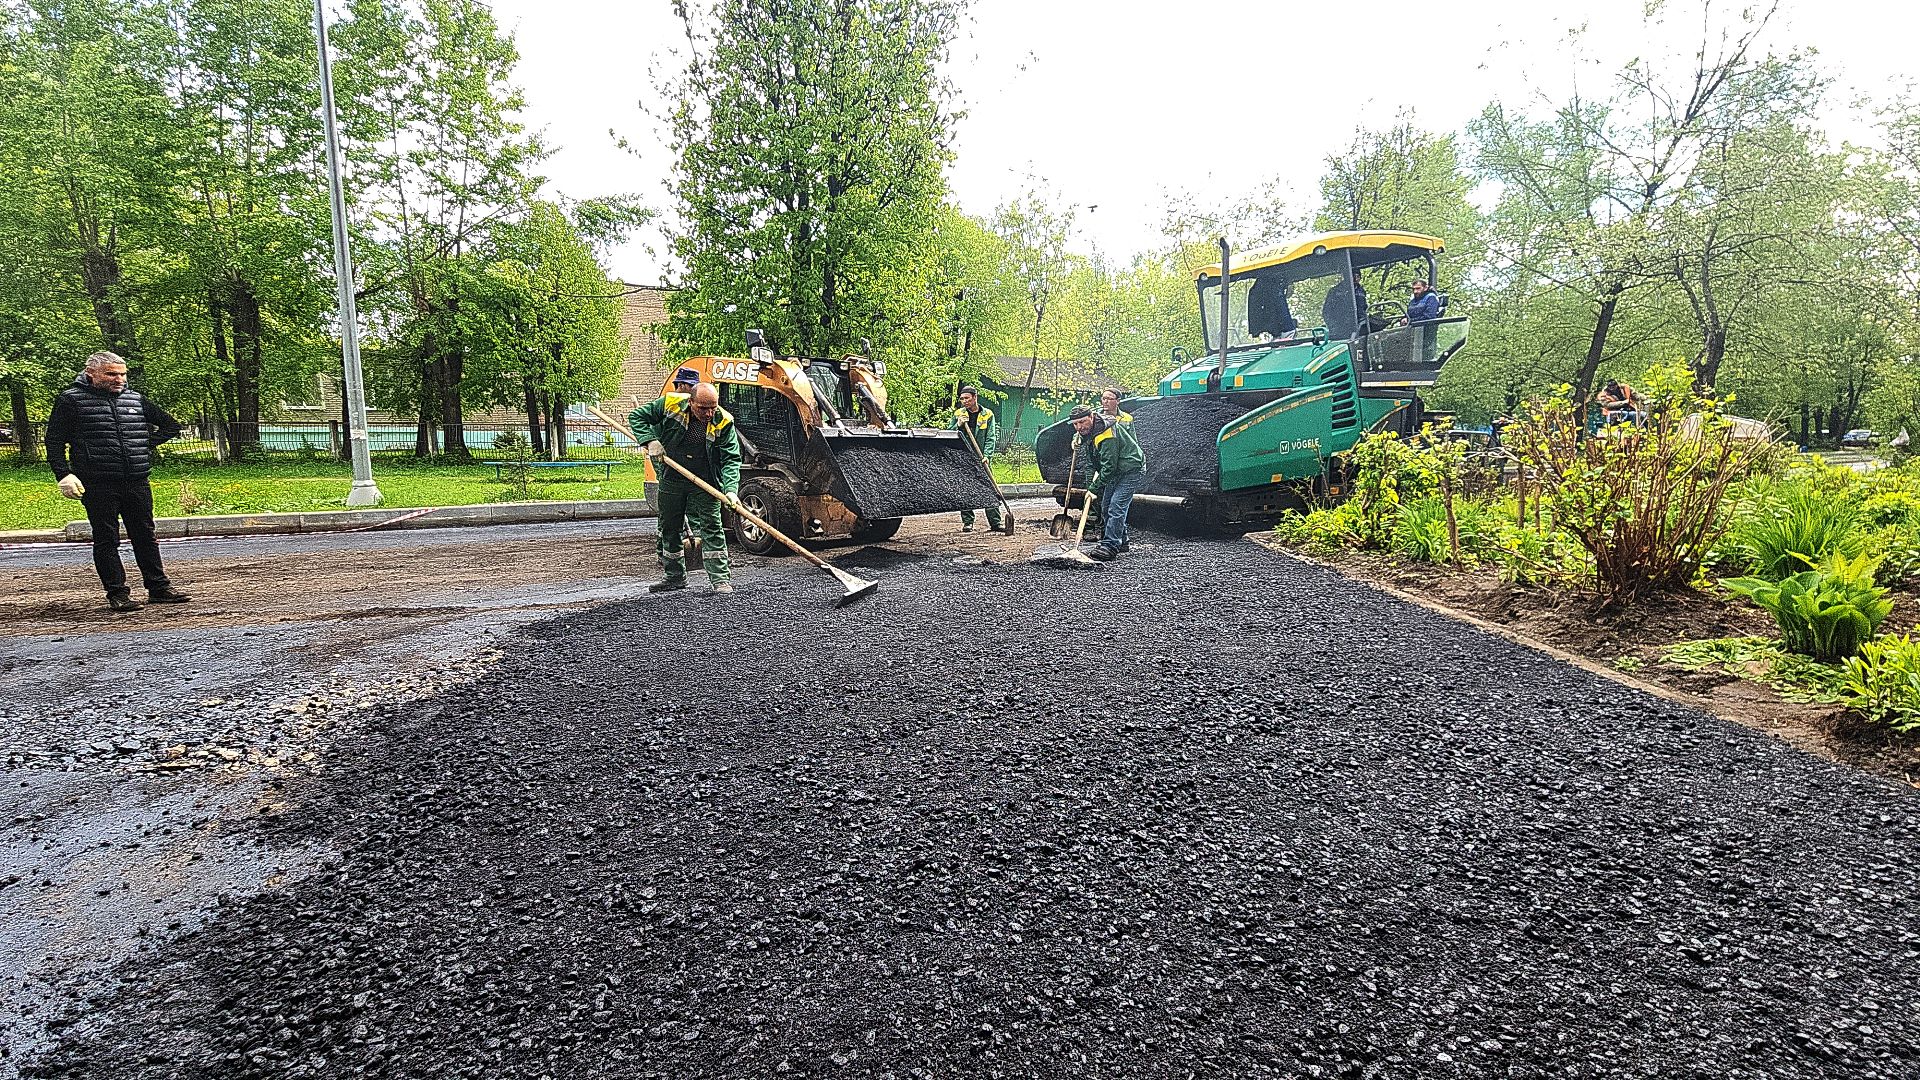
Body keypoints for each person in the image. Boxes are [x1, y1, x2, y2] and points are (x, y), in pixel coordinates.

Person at [45, 351, 189, 613]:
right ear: (91, 373)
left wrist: (142, 445)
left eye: (122, 374)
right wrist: (63, 474)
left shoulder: (134, 399)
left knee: (145, 535)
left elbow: (170, 425)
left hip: (136, 480)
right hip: (97, 483)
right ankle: (117, 593)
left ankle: (159, 588)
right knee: (106, 539)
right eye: (111, 374)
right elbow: (54, 441)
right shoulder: (71, 400)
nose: (119, 379)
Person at [630, 381, 742, 595]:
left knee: (712, 526)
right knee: (669, 526)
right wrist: (650, 441)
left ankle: (720, 579)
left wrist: (730, 490)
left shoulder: (724, 421)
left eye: (713, 408)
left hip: (706, 479)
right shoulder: (670, 404)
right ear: (690, 402)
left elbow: (730, 459)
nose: (709, 413)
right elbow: (637, 417)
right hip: (673, 475)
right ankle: (674, 576)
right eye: (703, 408)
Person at [1070, 404, 1145, 560]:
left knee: (1116, 506)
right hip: (1116, 470)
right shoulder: (1091, 429)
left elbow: (1109, 467)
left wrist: (1093, 488)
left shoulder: (1106, 434)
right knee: (1106, 507)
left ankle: (1110, 545)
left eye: (1082, 422)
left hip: (1130, 469)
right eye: (1075, 424)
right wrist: (1077, 439)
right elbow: (1094, 454)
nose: (1079, 427)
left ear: (1091, 416)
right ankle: (1122, 542)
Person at [953, 385, 1001, 533]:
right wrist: (958, 425)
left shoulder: (987, 415)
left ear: (975, 397)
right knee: (965, 489)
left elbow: (991, 437)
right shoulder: (959, 414)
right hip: (964, 457)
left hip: (981, 457)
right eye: (962, 399)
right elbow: (949, 433)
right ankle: (968, 522)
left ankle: (995, 522)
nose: (964, 401)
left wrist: (987, 455)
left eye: (967, 398)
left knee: (989, 487)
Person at [1322, 274, 1366, 340]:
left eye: (1358, 276)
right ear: (1347, 276)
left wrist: (1363, 321)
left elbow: (1364, 308)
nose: (1355, 279)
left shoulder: (1361, 291)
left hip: (1360, 328)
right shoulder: (1335, 291)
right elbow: (1326, 312)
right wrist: (1333, 327)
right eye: (1353, 276)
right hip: (1340, 329)